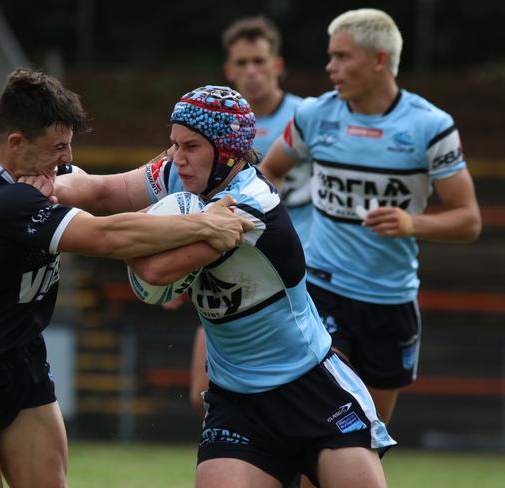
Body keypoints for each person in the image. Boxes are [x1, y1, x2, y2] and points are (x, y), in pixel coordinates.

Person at [0, 68, 252, 488]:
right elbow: (106, 237)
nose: (66, 160)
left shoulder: (33, 174)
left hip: (22, 358)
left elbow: (102, 193)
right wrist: (204, 224)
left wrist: (181, 164)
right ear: (16, 144)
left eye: (69, 146)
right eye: (57, 148)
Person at [51, 85, 395, 488]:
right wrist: (43, 184)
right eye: (173, 144)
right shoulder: (177, 176)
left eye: (191, 146)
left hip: (310, 390)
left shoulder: (251, 204)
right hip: (236, 403)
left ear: (227, 149)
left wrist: (138, 228)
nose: (177, 159)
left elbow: (155, 270)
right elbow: (101, 191)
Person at [260, 8, 482, 427]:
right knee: (323, 421)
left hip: (389, 301)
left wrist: (412, 223)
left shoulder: (429, 127)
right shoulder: (314, 116)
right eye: (330, 56)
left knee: (369, 435)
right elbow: (269, 172)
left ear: (379, 60)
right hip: (322, 289)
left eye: (343, 57)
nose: (331, 68)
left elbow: (468, 220)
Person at [188, 16, 312, 416]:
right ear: (229, 71)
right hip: (228, 264)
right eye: (241, 64)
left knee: (298, 395)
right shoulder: (215, 128)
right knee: (200, 393)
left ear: (277, 65)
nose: (251, 72)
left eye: (259, 61)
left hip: (297, 273)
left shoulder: (306, 118)